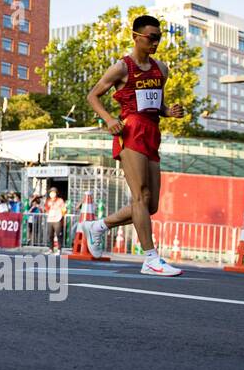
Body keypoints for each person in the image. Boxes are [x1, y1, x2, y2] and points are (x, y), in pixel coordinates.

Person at [80, 14, 187, 276]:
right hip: (131, 130)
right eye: (152, 38)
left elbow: (154, 103)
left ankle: (99, 226)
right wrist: (109, 119)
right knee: (140, 196)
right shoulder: (122, 67)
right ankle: (150, 258)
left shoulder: (162, 68)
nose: (156, 43)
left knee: (150, 206)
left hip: (152, 130)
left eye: (159, 38)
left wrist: (168, 111)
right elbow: (92, 95)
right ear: (136, 37)